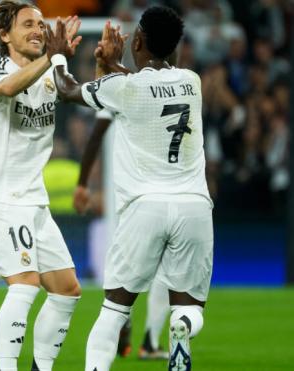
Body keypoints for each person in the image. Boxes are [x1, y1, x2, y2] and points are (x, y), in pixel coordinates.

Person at [45, 6, 213, 370]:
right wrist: (115, 65)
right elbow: (147, 86)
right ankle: (182, 326)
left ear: (137, 40)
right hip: (195, 206)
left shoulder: (126, 87)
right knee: (188, 309)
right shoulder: (192, 82)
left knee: (113, 311)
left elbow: (66, 89)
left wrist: (57, 54)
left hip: (144, 207)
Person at [0, 1, 84, 370]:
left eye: (41, 24)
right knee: (24, 284)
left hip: (33, 199)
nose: (38, 30)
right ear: (5, 35)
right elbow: (6, 89)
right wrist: (51, 58)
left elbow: (75, 93)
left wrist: (100, 63)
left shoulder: (49, 70)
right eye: (28, 24)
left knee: (67, 290)